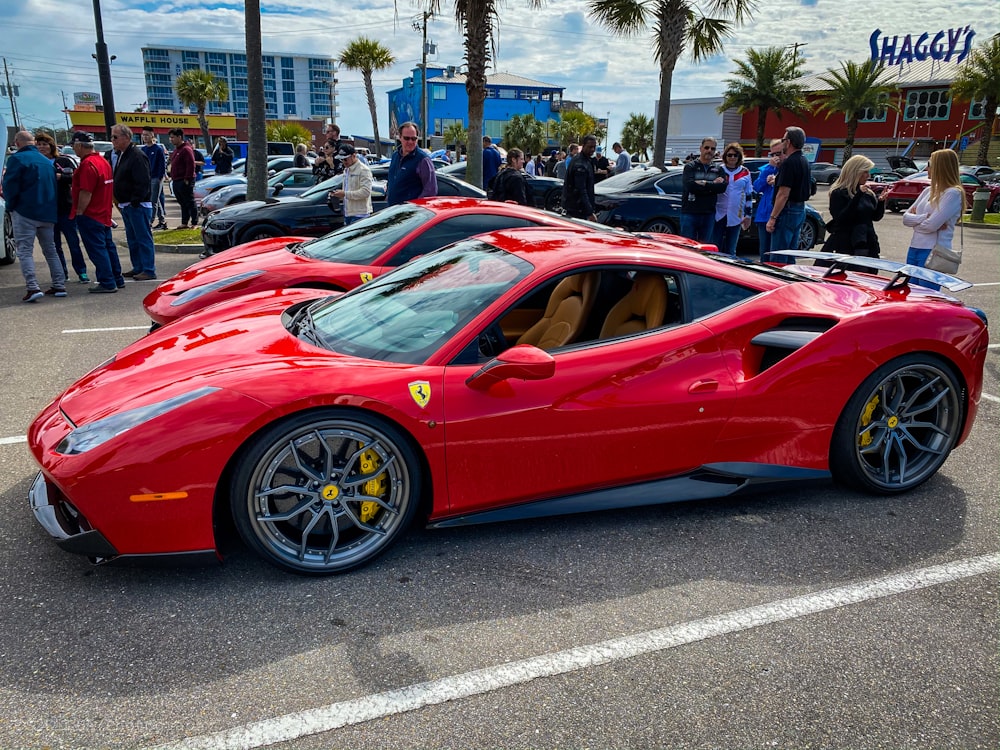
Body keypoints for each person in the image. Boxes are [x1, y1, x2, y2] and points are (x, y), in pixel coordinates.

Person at [2, 130, 66, 301]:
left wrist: (10, 206)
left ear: (17, 142)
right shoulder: (47, 162)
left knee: (25, 251)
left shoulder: (17, 159)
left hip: (25, 211)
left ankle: (32, 287)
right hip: (47, 212)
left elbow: (10, 186)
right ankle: (59, 284)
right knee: (50, 250)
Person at [69, 131, 125, 294]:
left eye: (74, 146)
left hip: (91, 214)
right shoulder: (102, 162)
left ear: (79, 145)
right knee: (108, 247)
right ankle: (116, 278)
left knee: (97, 249)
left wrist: (80, 211)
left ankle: (107, 281)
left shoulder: (87, 165)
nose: (74, 149)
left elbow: (86, 192)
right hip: (103, 212)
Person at [902, 148, 965, 285]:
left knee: (926, 295)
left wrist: (918, 220)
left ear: (940, 167)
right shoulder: (927, 191)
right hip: (914, 247)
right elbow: (906, 218)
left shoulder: (953, 193)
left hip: (934, 251)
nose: (926, 168)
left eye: (930, 164)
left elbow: (931, 226)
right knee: (910, 292)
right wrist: (924, 218)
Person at [34, 132, 89, 283]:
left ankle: (81, 271)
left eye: (45, 144)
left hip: (65, 208)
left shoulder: (63, 161)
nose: (42, 147)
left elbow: (75, 177)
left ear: (51, 146)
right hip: (47, 211)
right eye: (38, 144)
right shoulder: (36, 163)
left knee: (73, 242)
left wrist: (61, 177)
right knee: (54, 245)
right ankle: (61, 273)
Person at [111, 124, 156, 280]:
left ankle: (148, 269)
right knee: (133, 239)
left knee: (143, 238)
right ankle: (138, 267)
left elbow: (143, 181)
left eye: (115, 137)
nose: (112, 140)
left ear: (127, 138)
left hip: (137, 205)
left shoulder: (137, 155)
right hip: (126, 204)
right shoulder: (122, 154)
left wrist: (135, 201)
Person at [824, 155, 885, 258]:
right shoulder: (839, 193)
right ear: (856, 172)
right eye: (865, 172)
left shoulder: (868, 194)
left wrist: (881, 202)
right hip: (846, 242)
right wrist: (858, 196)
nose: (868, 176)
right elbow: (842, 218)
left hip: (867, 240)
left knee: (868, 272)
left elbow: (875, 217)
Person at [766, 126, 812, 262]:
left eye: (783, 139)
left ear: (789, 142)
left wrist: (773, 218)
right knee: (790, 254)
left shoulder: (789, 162)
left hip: (787, 210)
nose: (782, 142)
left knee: (778, 255)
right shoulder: (804, 160)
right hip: (799, 209)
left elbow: (783, 194)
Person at [680, 137, 727, 242]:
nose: (709, 150)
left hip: (708, 214)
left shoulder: (718, 169)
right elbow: (690, 186)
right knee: (687, 247)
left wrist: (704, 183)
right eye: (707, 147)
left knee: (705, 249)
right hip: (690, 213)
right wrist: (712, 185)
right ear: (701, 148)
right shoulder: (690, 167)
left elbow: (722, 188)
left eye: (712, 149)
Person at [713, 142, 753, 257]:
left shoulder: (745, 171)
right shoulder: (718, 170)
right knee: (715, 248)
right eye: (729, 155)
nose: (732, 158)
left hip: (736, 215)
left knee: (731, 250)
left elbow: (748, 194)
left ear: (739, 157)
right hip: (718, 214)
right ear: (725, 156)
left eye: (735, 155)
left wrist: (748, 215)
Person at [386, 121, 437, 205]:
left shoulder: (423, 160)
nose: (410, 142)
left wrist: (415, 208)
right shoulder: (395, 155)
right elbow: (392, 179)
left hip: (410, 215)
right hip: (393, 211)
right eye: (406, 138)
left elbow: (430, 190)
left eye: (413, 139)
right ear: (400, 137)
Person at [752, 140, 783, 261]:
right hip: (764, 216)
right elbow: (757, 187)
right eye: (773, 154)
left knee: (776, 254)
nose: (776, 158)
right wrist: (769, 169)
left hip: (778, 216)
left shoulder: (787, 168)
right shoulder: (767, 169)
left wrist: (777, 182)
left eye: (779, 153)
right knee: (764, 253)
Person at [329, 144, 373, 224]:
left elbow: (365, 192)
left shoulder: (364, 170)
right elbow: (347, 190)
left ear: (354, 156)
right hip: (348, 213)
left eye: (345, 159)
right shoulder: (346, 170)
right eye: (341, 160)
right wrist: (338, 195)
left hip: (360, 215)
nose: (343, 162)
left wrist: (345, 194)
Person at [561, 134, 598, 220]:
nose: (592, 149)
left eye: (594, 147)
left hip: (578, 209)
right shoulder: (580, 163)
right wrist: (590, 212)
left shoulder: (586, 160)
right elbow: (581, 189)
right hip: (577, 210)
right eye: (590, 147)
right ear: (584, 146)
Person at [167, 128, 198, 228]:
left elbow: (191, 165)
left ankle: (194, 223)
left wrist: (187, 178)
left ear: (179, 137)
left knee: (189, 201)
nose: (170, 140)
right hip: (176, 180)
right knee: (182, 202)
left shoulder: (186, 149)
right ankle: (184, 222)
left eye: (172, 137)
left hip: (184, 180)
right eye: (170, 137)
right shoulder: (177, 150)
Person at [141, 127, 168, 229]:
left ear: (152, 136)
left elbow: (162, 165)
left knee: (153, 201)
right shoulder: (143, 149)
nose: (145, 137)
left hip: (156, 178)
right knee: (156, 201)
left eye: (147, 135)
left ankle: (149, 222)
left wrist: (161, 177)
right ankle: (162, 221)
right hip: (146, 178)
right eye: (143, 135)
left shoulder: (158, 149)